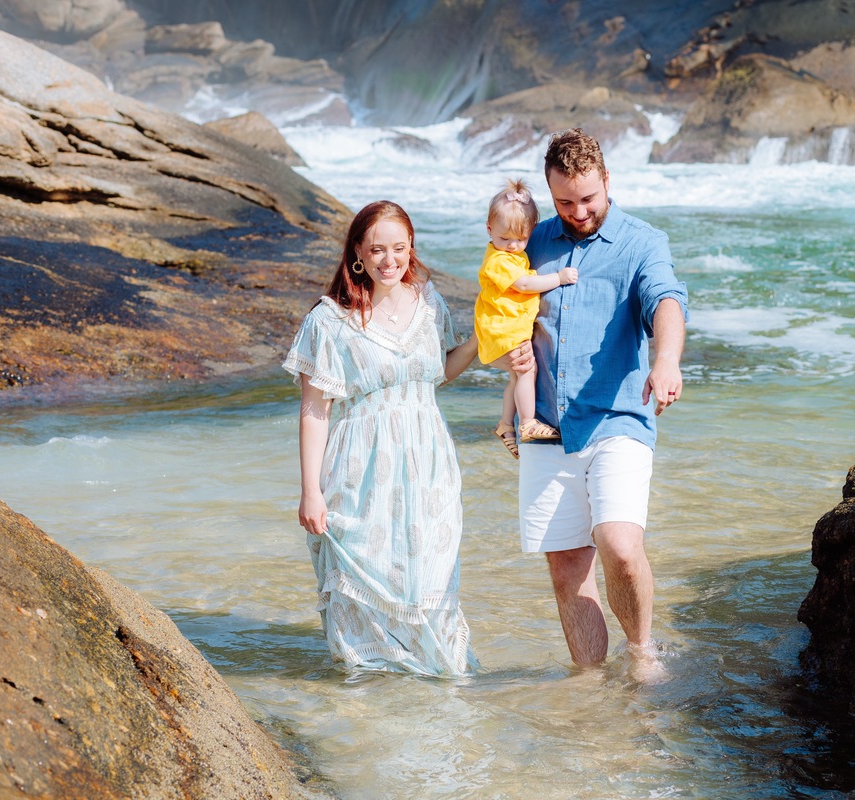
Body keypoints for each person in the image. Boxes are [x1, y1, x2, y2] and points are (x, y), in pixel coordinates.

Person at [512, 129, 688, 668]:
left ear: (607, 180)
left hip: (619, 419)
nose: (579, 211)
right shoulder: (532, 244)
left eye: (588, 197)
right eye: (565, 201)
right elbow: (502, 313)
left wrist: (665, 360)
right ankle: (589, 683)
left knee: (620, 547)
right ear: (549, 191)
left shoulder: (643, 242)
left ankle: (642, 651)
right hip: (546, 426)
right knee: (567, 567)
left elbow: (667, 301)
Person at [282, 200, 480, 678]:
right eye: (377, 250)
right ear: (358, 254)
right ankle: (369, 709)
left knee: (430, 579)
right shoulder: (329, 321)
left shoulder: (430, 303)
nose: (389, 261)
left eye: (399, 248)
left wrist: (480, 339)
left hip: (429, 463)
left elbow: (438, 372)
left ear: (411, 249)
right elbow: (315, 410)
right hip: (360, 469)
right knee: (365, 580)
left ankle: (443, 693)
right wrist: (310, 491)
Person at [474, 178, 578, 459]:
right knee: (527, 370)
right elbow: (523, 285)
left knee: (515, 377)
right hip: (502, 330)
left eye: (520, 239)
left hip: (503, 328)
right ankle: (527, 423)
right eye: (504, 238)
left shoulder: (510, 255)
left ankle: (505, 425)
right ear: (489, 229)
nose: (511, 245)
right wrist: (558, 277)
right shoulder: (499, 261)